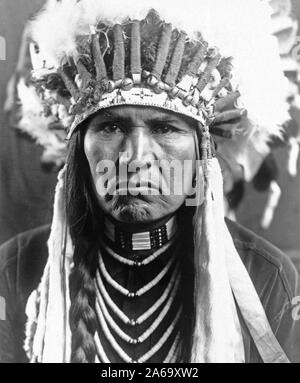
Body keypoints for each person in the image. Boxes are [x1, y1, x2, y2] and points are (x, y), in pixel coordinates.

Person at [0, 0, 300, 363]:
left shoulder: (267, 275)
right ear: (80, 149)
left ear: (202, 153)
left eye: (164, 128)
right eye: (112, 126)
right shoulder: (16, 267)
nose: (135, 158)